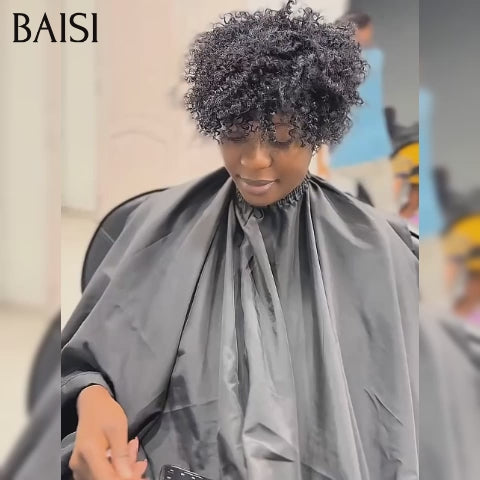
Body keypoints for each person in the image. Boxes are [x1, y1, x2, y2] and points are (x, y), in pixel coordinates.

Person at [61, 2, 418, 479]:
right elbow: (81, 365)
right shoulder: (158, 225)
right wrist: (92, 399)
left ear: (317, 133)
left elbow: (403, 421)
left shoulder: (380, 250)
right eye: (235, 135)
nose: (254, 161)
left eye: (282, 139)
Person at [328, 12, 395, 212]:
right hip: (372, 150)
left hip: (342, 153)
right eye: (368, 30)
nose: (370, 34)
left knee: (341, 214)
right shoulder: (374, 58)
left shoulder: (332, 65)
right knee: (388, 212)